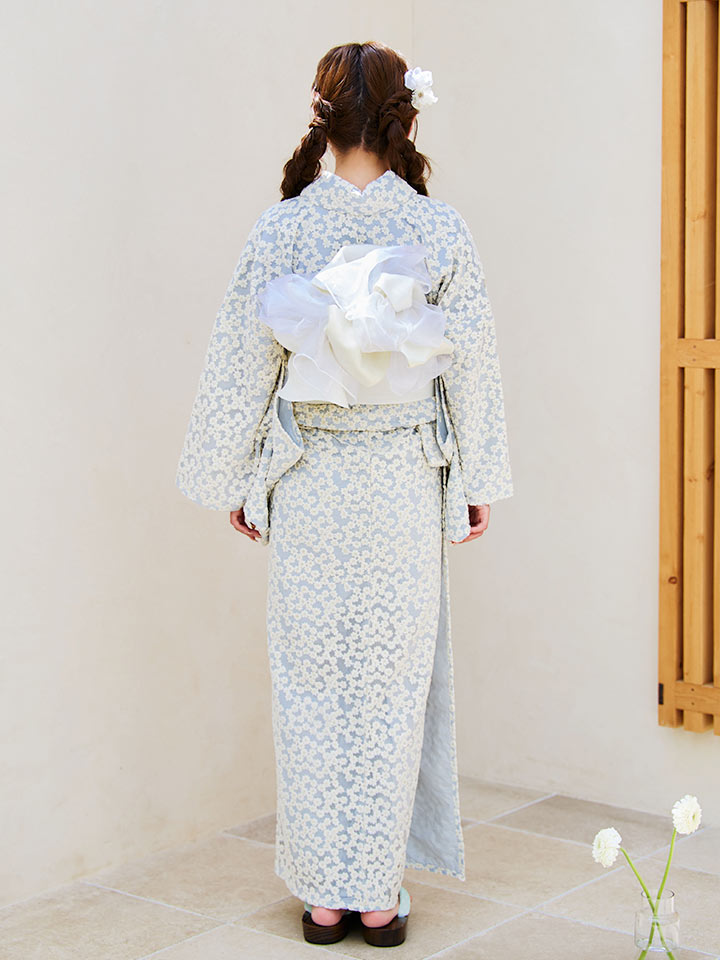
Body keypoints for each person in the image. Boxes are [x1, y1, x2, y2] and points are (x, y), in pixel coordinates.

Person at [176, 40, 513, 949]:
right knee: (390, 688)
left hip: (312, 481)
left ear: (323, 121)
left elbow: (241, 360)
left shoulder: (283, 228)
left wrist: (237, 477)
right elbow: (470, 366)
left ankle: (324, 899)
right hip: (400, 481)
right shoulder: (439, 229)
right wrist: (476, 480)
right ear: (405, 121)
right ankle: (376, 894)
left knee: (313, 685)